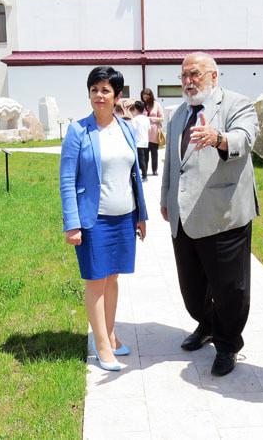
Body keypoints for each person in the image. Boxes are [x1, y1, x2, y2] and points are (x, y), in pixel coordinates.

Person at [160, 52, 259, 376]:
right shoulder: (178, 114)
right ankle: (207, 325)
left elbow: (245, 139)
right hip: (183, 216)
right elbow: (171, 162)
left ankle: (228, 344)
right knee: (192, 290)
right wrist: (166, 198)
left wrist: (218, 138)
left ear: (214, 76)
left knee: (230, 289)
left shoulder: (237, 104)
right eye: (184, 75)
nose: (189, 81)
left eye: (195, 74)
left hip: (223, 215)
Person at [60, 66, 149, 372]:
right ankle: (100, 345)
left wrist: (141, 216)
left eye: (105, 90)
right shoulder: (78, 131)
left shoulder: (126, 128)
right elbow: (67, 180)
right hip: (93, 220)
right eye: (94, 89)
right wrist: (72, 224)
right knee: (96, 280)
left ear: (117, 96)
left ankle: (110, 335)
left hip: (124, 218)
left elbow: (134, 175)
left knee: (113, 278)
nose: (99, 95)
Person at [140, 88, 164, 176]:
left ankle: (154, 170)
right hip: (144, 133)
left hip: (154, 133)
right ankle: (144, 171)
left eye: (147, 95)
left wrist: (149, 119)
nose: (145, 97)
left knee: (154, 153)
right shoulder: (141, 105)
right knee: (145, 154)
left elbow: (162, 118)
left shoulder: (156, 104)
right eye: (144, 95)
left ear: (151, 96)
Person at [129, 100, 151, 181]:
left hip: (138, 142)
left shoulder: (135, 119)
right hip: (146, 141)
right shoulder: (146, 119)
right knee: (145, 159)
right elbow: (149, 129)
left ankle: (144, 176)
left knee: (140, 160)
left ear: (136, 109)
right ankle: (145, 174)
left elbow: (132, 130)